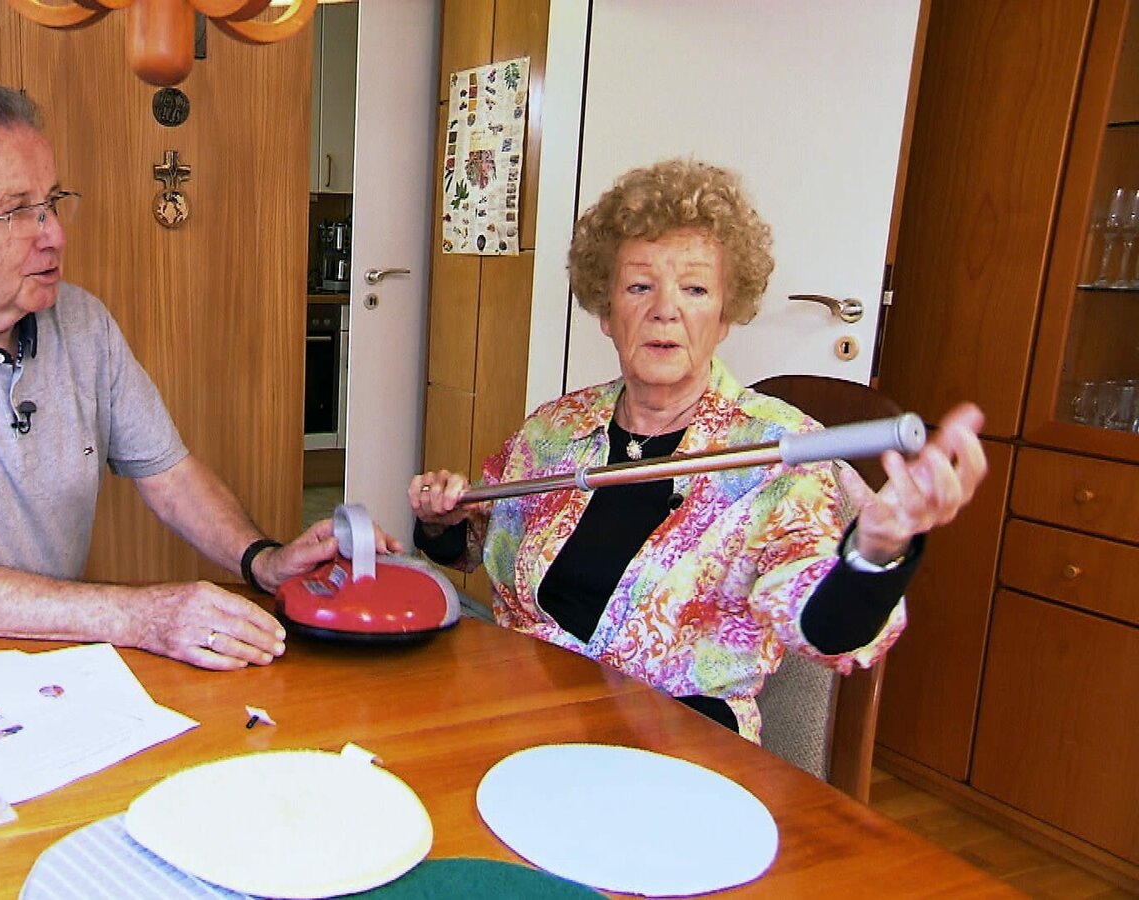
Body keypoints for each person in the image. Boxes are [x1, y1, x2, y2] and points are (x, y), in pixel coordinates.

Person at [0, 79, 394, 670]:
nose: (54, 235)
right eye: (16, 212)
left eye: (52, 203)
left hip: (38, 660)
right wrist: (142, 616)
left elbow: (169, 476)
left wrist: (261, 560)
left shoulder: (80, 321)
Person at [409, 159, 987, 741]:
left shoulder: (782, 455)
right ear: (607, 311)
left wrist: (874, 554)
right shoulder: (554, 428)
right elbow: (475, 544)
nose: (666, 309)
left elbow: (825, 626)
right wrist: (442, 519)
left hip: (677, 743)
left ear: (725, 315)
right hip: (522, 712)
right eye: (640, 287)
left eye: (695, 289)